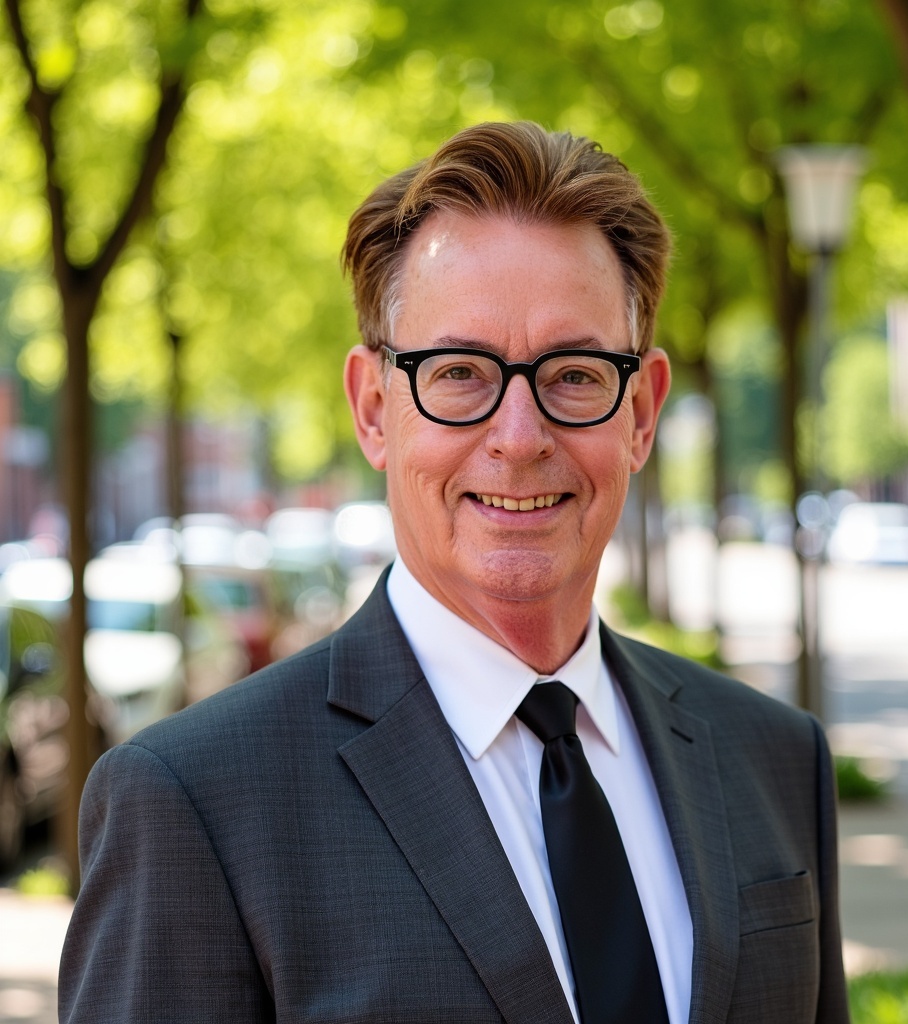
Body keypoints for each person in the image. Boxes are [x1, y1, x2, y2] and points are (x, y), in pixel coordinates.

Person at [59, 121, 849, 1024]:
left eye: (577, 373)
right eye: (462, 372)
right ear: (372, 408)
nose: (519, 438)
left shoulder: (777, 758)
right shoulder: (196, 805)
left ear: (642, 413)